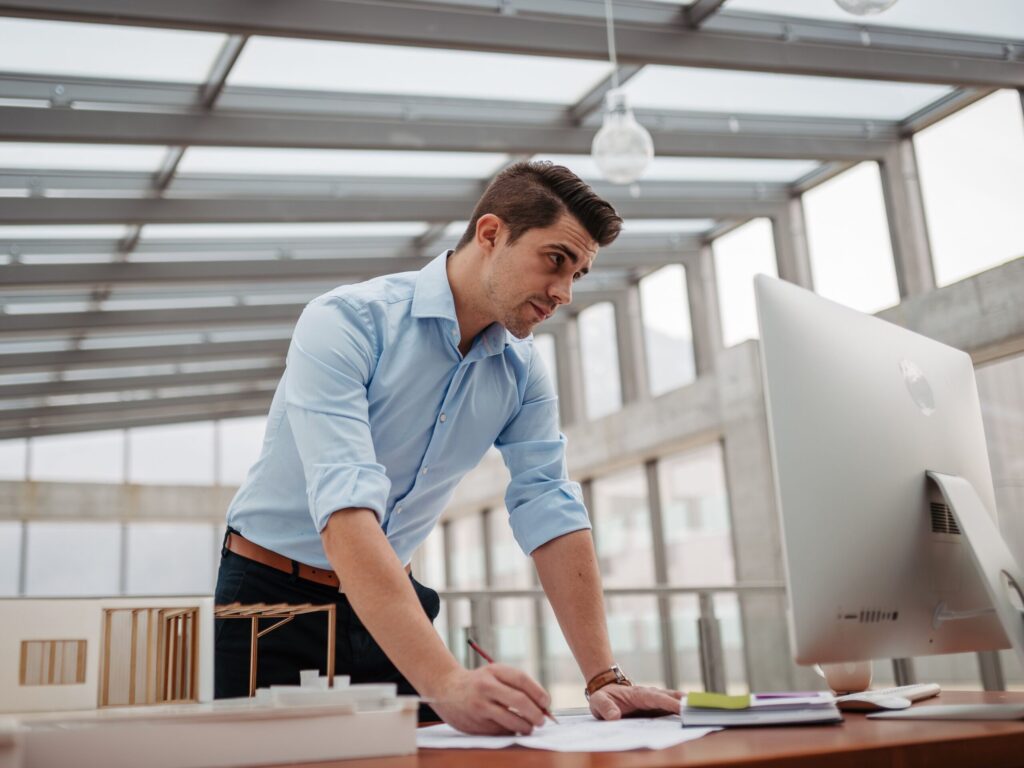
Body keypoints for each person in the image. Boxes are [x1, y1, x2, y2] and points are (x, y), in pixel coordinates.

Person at [215, 161, 684, 734]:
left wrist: (604, 679)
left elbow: (550, 508)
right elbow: (345, 510)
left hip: (391, 600)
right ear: (490, 234)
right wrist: (446, 681)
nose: (563, 292)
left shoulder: (521, 371)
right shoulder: (345, 322)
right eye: (556, 260)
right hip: (271, 604)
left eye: (578, 274)